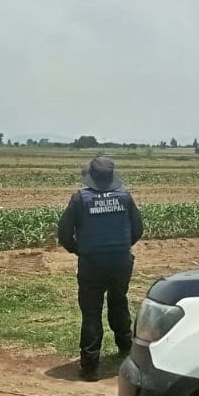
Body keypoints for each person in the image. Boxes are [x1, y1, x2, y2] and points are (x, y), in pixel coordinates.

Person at [57, 155, 144, 381]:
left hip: (91, 263)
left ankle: (89, 366)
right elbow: (138, 229)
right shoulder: (124, 196)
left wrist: (80, 249)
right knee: (119, 301)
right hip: (120, 262)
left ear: (91, 177)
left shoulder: (80, 199)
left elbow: (64, 233)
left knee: (91, 312)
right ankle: (126, 347)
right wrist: (121, 246)